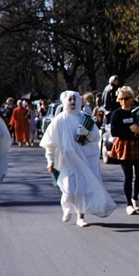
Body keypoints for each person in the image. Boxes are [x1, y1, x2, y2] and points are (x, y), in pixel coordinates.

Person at [40, 90, 116, 227]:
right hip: (65, 161)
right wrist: (50, 160)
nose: (73, 102)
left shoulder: (85, 118)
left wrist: (86, 132)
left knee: (81, 188)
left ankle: (80, 216)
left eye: (75, 99)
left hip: (82, 160)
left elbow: (95, 138)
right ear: (65, 101)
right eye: (70, 100)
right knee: (68, 190)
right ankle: (67, 206)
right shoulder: (59, 120)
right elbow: (50, 143)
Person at [108, 85, 139, 215]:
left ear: (131, 99)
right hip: (125, 145)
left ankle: (135, 196)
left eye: (126, 98)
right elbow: (114, 131)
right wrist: (129, 129)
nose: (123, 101)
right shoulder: (117, 113)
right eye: (120, 99)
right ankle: (128, 204)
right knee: (128, 176)